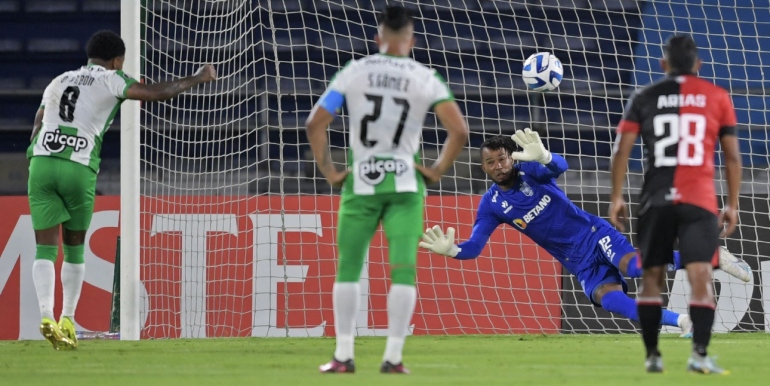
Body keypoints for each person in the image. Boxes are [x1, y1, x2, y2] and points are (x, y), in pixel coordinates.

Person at [419, 131, 748, 341]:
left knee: (634, 266)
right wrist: (454, 251)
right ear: (484, 168)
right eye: (490, 163)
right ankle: (684, 322)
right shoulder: (491, 205)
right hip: (577, 261)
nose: (498, 166)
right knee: (611, 300)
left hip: (594, 234)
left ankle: (717, 257)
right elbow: (475, 246)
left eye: (502, 158)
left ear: (510, 157)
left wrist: (546, 157)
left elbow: (557, 167)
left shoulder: (530, 170)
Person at [28, 30, 216, 350]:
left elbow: (39, 121)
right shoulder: (111, 78)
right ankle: (67, 320)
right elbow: (156, 93)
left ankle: (46, 314)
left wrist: (36, 160)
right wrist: (196, 78)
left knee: (44, 248)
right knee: (73, 248)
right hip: (77, 164)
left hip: (42, 162)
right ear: (116, 60)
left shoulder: (59, 80)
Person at [305, 6, 469, 374]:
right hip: (406, 187)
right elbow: (459, 130)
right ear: (411, 41)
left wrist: (330, 171)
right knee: (404, 271)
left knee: (348, 268)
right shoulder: (425, 77)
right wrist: (436, 171)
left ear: (378, 39)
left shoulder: (354, 71)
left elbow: (315, 122)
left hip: (361, 183)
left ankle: (343, 356)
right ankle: (393, 358)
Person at [609, 35, 742, 374]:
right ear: (698, 64)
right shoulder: (718, 97)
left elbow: (620, 150)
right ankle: (699, 355)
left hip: (655, 200)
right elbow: (732, 156)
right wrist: (733, 203)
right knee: (700, 276)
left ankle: (653, 355)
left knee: (651, 277)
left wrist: (616, 196)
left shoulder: (644, 96)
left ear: (663, 65)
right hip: (699, 201)